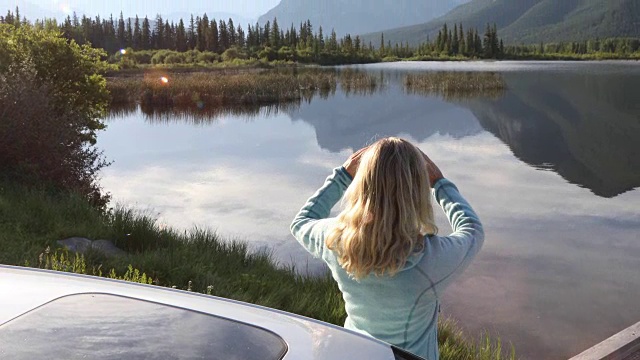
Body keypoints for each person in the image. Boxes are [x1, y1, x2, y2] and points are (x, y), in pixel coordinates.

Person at [290, 137, 484, 360]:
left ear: (362, 185)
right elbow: (473, 230)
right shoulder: (432, 259)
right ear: (417, 191)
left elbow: (302, 221)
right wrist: (440, 183)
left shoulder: (336, 241)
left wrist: (342, 176)